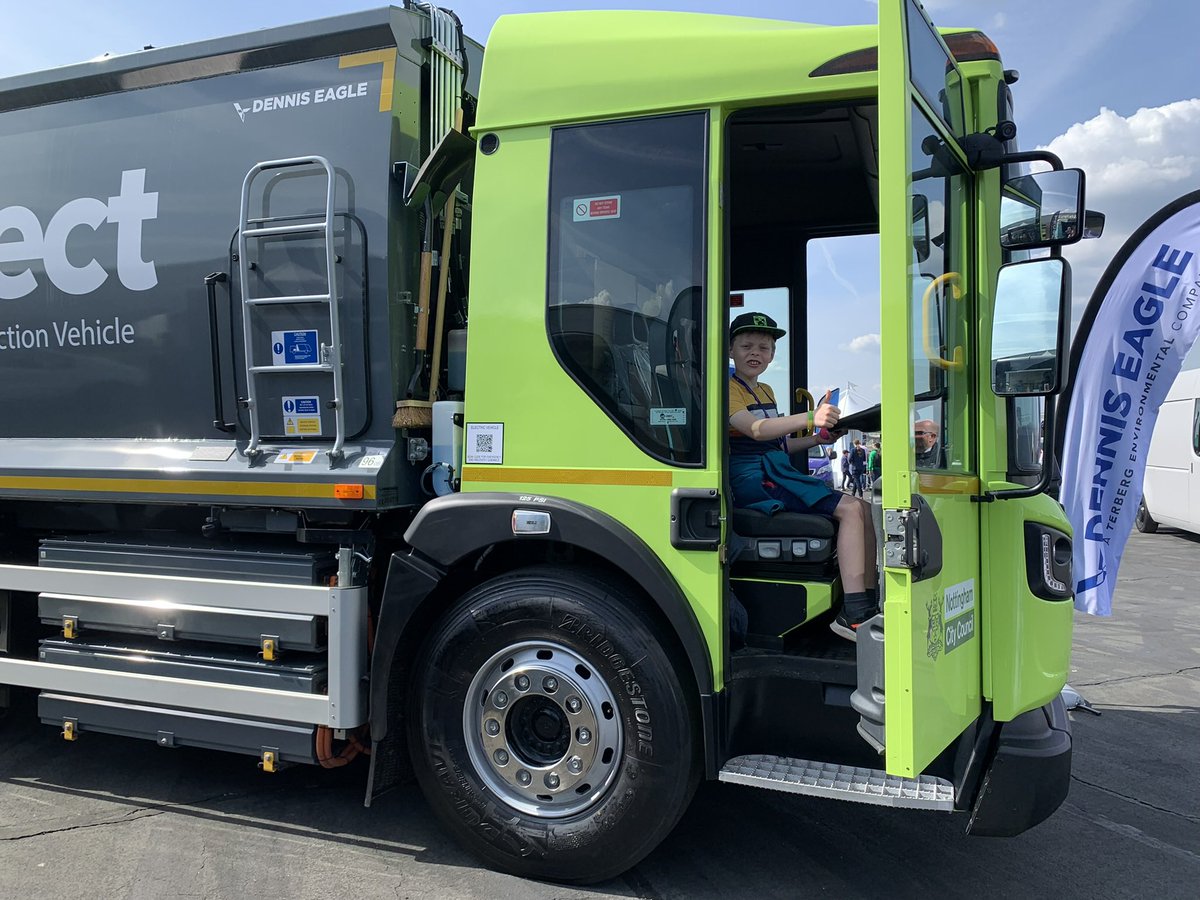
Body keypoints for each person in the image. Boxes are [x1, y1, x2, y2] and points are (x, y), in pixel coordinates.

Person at [727, 312, 878, 640]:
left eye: (764, 348)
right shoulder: (727, 388)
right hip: (752, 480)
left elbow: (778, 443)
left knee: (864, 508)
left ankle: (867, 601)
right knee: (851, 508)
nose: (755, 353)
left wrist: (817, 438)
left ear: (772, 355)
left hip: (774, 470)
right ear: (730, 350)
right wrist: (811, 416)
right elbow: (756, 430)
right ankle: (853, 613)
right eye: (747, 346)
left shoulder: (765, 390)